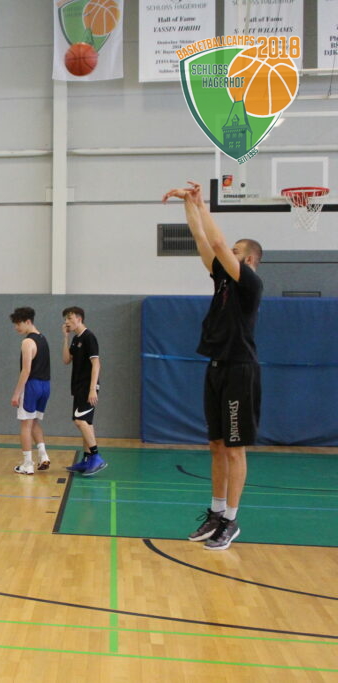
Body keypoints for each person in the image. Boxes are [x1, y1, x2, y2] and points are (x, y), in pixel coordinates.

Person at [163, 180, 263, 551]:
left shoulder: (250, 285)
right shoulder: (223, 281)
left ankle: (231, 521)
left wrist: (204, 204)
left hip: (240, 369)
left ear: (248, 261)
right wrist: (189, 205)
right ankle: (216, 513)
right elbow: (203, 241)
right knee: (216, 445)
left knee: (235, 449)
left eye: (236, 252)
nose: (227, 254)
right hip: (217, 368)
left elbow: (218, 243)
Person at [61, 307, 107, 476]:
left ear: (79, 319)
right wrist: (66, 337)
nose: (67, 322)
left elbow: (96, 364)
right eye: (66, 319)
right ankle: (87, 460)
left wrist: (92, 389)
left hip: (88, 387)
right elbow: (66, 360)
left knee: (80, 421)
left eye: (70, 318)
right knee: (85, 422)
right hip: (78, 386)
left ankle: (96, 457)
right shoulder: (76, 338)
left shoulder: (89, 337)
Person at [9, 307, 51, 475]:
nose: (16, 328)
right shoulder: (43, 339)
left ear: (28, 321)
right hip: (45, 385)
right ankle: (43, 455)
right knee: (33, 422)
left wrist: (16, 393)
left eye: (18, 324)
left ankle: (27, 464)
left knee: (25, 425)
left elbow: (26, 371)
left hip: (32, 386)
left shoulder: (27, 342)